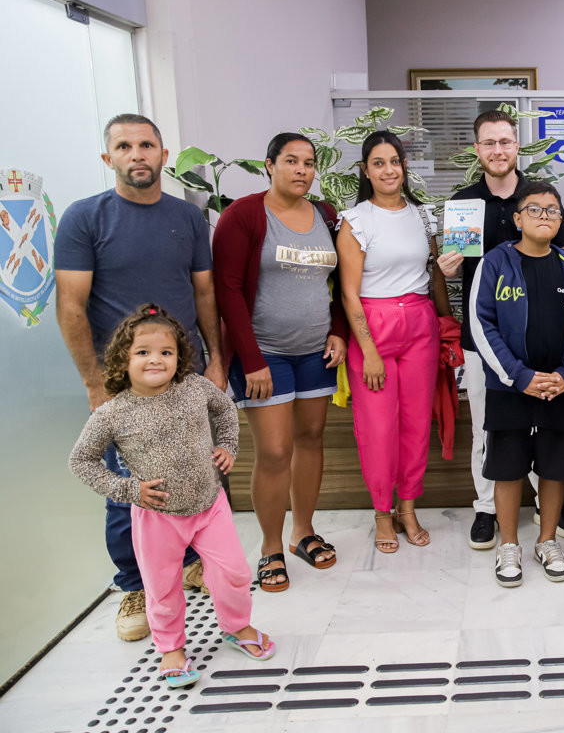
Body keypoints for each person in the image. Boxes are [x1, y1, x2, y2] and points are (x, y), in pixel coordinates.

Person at [55, 113, 222, 641]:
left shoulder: (189, 217)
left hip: (186, 373)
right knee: (129, 486)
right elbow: (71, 306)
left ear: (164, 155)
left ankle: (192, 562)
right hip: (123, 385)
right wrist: (93, 384)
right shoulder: (85, 218)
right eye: (124, 147)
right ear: (109, 159)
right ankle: (133, 584)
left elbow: (204, 294)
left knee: (197, 469)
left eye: (147, 145)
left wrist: (216, 359)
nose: (138, 155)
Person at [68, 305, 272, 688]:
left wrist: (228, 445)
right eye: (142, 352)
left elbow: (225, 409)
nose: (155, 360)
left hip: (210, 506)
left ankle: (237, 627)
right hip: (157, 515)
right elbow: (81, 462)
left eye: (166, 352)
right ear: (122, 359)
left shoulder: (194, 388)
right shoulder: (112, 413)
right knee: (162, 586)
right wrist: (128, 490)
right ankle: (171, 649)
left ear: (179, 356)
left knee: (233, 572)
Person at [437, 110, 564, 549]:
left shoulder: (540, 195)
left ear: (516, 146)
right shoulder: (464, 201)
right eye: (489, 143)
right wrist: (447, 269)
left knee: (546, 422)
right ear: (477, 149)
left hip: (545, 339)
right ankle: (486, 508)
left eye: (505, 142)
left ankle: (545, 502)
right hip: (486, 340)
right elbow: (458, 270)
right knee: (488, 427)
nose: (498, 150)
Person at [212, 133, 348, 592]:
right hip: (263, 355)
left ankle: (302, 532)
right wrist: (250, 359)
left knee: (310, 439)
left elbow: (343, 283)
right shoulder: (244, 215)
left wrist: (339, 333)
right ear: (269, 165)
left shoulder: (327, 217)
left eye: (309, 163)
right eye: (291, 161)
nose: (301, 170)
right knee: (273, 451)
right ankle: (270, 545)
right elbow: (227, 290)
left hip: (315, 351)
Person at [337, 131, 453, 552]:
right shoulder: (356, 221)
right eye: (379, 163)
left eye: (395, 162)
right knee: (378, 426)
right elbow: (349, 292)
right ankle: (382, 512)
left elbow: (436, 272)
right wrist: (367, 349)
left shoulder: (423, 217)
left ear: (404, 167)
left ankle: (408, 507)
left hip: (420, 322)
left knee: (417, 422)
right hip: (375, 325)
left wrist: (446, 324)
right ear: (366, 171)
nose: (389, 170)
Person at [470, 182, 564, 587]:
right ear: (517, 218)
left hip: (557, 387)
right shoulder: (495, 262)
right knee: (508, 470)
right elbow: (481, 324)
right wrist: (518, 376)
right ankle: (508, 545)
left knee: (554, 468)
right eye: (534, 209)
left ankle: (547, 541)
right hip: (509, 388)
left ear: (561, 221)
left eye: (553, 210)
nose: (544, 216)